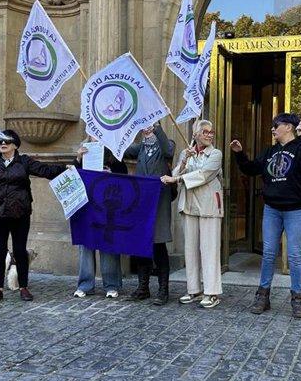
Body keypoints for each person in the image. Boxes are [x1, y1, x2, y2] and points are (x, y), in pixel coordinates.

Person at [0, 129, 67, 303]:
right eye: (0, 141)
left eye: (7, 141)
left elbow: (45, 170)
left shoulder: (24, 162)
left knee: (19, 251)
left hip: (20, 213)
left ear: (15, 145)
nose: (3, 143)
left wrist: (72, 166)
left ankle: (23, 287)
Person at [230, 113, 301, 318]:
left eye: (276, 125)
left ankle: (297, 297)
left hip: (296, 210)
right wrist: (239, 154)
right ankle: (263, 295)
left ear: (288, 127)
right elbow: (251, 169)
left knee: (294, 256)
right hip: (272, 209)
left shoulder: (300, 147)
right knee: (268, 253)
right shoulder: (270, 151)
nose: (272, 129)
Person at [161, 119, 223, 309]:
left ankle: (211, 292)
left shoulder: (215, 154)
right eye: (205, 131)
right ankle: (193, 289)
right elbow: (175, 173)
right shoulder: (186, 152)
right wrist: (184, 160)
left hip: (209, 205)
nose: (209, 135)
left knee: (209, 249)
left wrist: (176, 177)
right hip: (189, 205)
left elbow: (204, 175)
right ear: (195, 134)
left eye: (211, 132)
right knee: (191, 249)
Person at [123, 123, 175, 305]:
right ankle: (143, 287)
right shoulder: (141, 148)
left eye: (150, 125)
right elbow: (121, 150)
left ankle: (163, 290)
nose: (146, 128)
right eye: (144, 125)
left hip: (159, 203)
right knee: (142, 245)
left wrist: (157, 128)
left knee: (158, 246)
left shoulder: (167, 143)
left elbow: (168, 151)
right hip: (142, 203)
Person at [72, 140, 127, 299]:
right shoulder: (83, 150)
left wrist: (111, 174)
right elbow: (73, 176)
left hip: (108, 206)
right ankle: (85, 284)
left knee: (108, 243)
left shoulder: (115, 153)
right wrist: (77, 159)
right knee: (86, 245)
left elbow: (123, 177)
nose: (94, 136)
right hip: (87, 205)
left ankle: (111, 284)